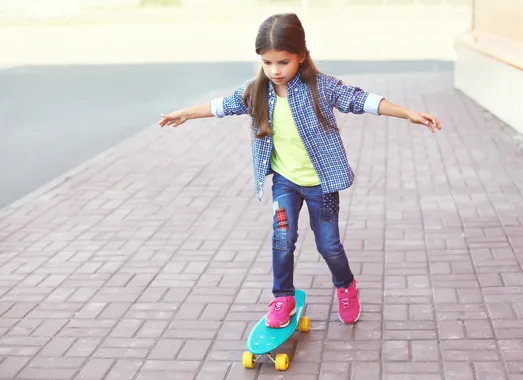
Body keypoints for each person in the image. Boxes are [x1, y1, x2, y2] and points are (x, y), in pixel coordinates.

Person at [159, 13, 441, 328]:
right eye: (267, 63)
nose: (275, 70)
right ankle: (283, 297)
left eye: (283, 62)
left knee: (328, 245)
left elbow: (362, 100)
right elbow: (222, 105)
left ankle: (346, 286)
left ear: (301, 56)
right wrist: (185, 113)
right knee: (282, 238)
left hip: (322, 183)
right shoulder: (257, 91)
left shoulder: (322, 88)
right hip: (286, 183)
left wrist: (408, 113)